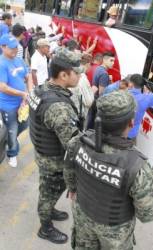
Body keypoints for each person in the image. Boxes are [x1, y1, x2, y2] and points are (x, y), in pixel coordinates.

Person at [65, 90, 153, 249]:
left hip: (82, 215)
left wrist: (74, 189)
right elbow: (148, 214)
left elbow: (69, 172)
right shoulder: (136, 165)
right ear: (131, 123)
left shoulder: (78, 141)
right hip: (115, 232)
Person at [28, 48, 83, 244]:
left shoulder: (42, 89)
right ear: (63, 75)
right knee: (48, 193)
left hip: (44, 154)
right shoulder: (58, 107)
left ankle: (49, 210)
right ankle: (45, 227)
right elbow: (72, 143)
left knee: (48, 191)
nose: (80, 76)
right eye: (77, 73)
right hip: (53, 161)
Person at [0, 34, 31, 168]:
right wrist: (22, 93)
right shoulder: (1, 64)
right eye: (11, 48)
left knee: (24, 125)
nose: (14, 50)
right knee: (12, 129)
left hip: (23, 103)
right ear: (3, 47)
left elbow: (28, 76)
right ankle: (12, 153)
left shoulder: (19, 60)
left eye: (15, 48)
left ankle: (10, 138)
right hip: (8, 105)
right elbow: (3, 87)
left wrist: (28, 93)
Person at [128, 69, 153, 139]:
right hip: (130, 134)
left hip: (115, 132)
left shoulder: (121, 91)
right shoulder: (146, 98)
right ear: (143, 86)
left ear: (131, 83)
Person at [70, 53, 94, 122]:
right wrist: (92, 92)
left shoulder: (74, 73)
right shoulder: (82, 77)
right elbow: (88, 102)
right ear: (88, 64)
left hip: (73, 111)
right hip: (80, 114)